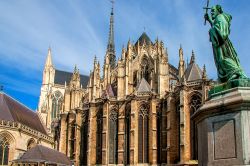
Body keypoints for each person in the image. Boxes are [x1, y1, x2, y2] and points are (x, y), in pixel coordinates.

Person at [204, 5, 247, 83]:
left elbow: (222, 32)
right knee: (221, 61)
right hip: (219, 41)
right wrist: (210, 21)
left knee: (223, 59)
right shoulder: (218, 18)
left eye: (213, 11)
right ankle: (232, 74)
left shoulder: (220, 17)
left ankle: (237, 73)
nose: (212, 13)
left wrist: (211, 31)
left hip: (221, 42)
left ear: (218, 11)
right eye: (211, 12)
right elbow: (217, 28)